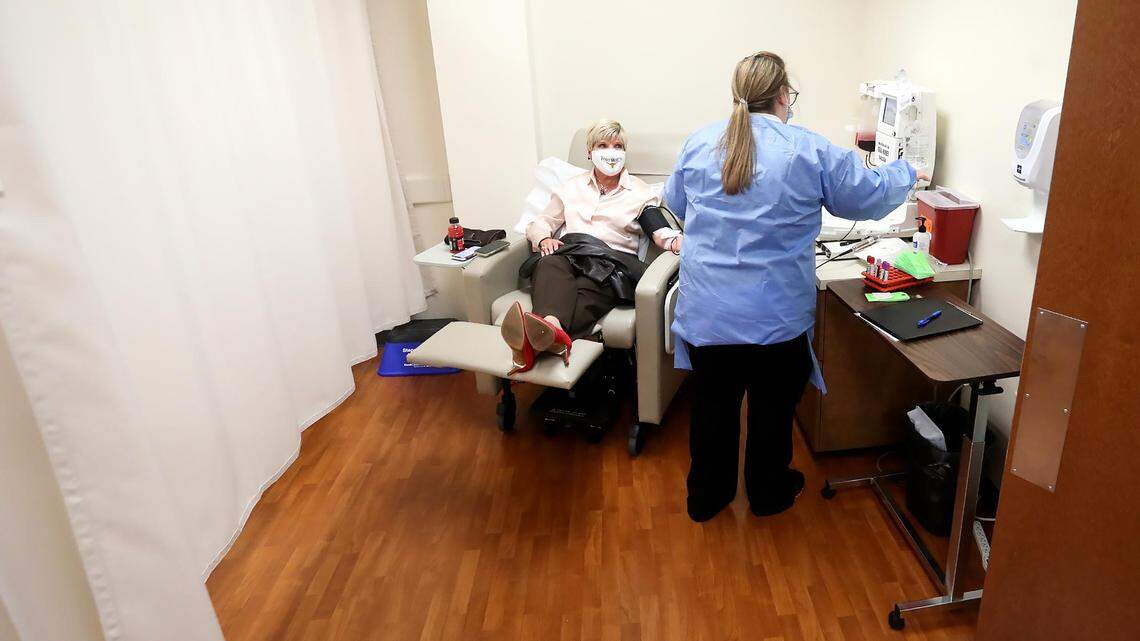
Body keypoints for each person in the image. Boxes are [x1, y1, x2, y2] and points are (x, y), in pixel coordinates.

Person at [662, 52, 930, 522]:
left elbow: (675, 204)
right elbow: (865, 198)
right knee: (771, 413)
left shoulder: (699, 143)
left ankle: (706, 499)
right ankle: (768, 495)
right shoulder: (808, 149)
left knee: (712, 412)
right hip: (775, 318)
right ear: (784, 95)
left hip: (709, 314)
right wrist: (907, 173)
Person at [500, 118, 683, 374]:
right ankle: (552, 332)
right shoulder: (570, 188)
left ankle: (537, 338)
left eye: (618, 146)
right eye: (603, 144)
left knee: (589, 286)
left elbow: (659, 229)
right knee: (549, 260)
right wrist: (544, 239)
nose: (611, 152)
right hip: (569, 254)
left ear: (624, 153)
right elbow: (540, 222)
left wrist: (676, 240)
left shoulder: (640, 193)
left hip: (610, 266)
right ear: (589, 152)